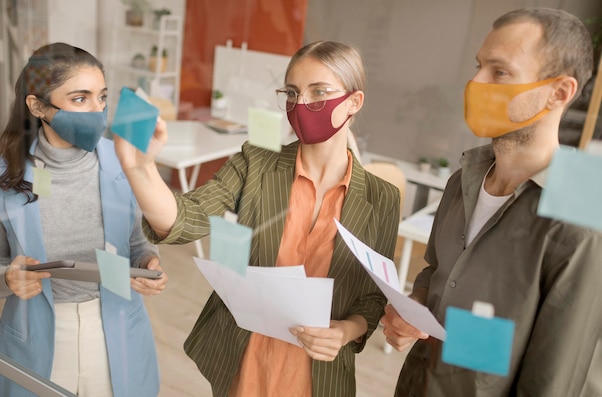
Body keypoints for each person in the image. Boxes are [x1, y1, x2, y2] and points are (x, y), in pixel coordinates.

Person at [115, 41, 400, 397]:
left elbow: (372, 299)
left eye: (319, 92)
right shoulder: (256, 162)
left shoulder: (382, 198)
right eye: (293, 93)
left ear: (354, 102)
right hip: (247, 364)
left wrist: (345, 331)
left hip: (318, 375)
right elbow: (187, 217)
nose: (302, 104)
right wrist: (139, 168)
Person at [381, 7, 602, 396]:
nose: (476, 82)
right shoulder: (461, 180)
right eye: (479, 66)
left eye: (499, 72)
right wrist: (413, 308)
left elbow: (555, 380)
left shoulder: (584, 215)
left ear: (559, 92)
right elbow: (435, 273)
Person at [0, 42, 168, 397]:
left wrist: (146, 262)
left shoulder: (124, 162)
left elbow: (136, 241)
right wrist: (7, 278)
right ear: (37, 106)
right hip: (39, 338)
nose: (97, 111)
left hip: (116, 331)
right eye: (80, 99)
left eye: (102, 97)